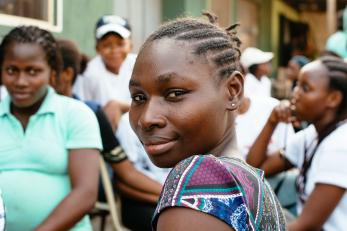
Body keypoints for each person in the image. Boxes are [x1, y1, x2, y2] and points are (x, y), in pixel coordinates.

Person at [128, 13, 286, 230]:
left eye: (174, 93)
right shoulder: (249, 181)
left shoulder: (200, 180)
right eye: (138, 97)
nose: (146, 119)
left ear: (233, 91)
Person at [0, 26, 102, 230]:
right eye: (12, 70)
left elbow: (86, 193)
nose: (21, 82)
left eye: (33, 71)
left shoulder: (75, 115)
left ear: (52, 73)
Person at [57, 39, 163, 231]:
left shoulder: (88, 114)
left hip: (111, 192)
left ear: (66, 74)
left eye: (35, 71)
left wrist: (177, 195)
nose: (23, 82)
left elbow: (125, 174)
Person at [247, 56, 347, 230]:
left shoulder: (340, 145)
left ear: (333, 99)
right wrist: (272, 122)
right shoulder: (311, 135)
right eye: (297, 85)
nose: (295, 93)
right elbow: (253, 169)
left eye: (305, 88)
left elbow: (307, 225)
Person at [73, 15, 136, 109]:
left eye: (120, 44)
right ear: (97, 48)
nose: (114, 50)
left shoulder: (140, 65)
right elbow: (82, 108)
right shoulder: (88, 73)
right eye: (107, 45)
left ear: (130, 45)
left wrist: (118, 106)